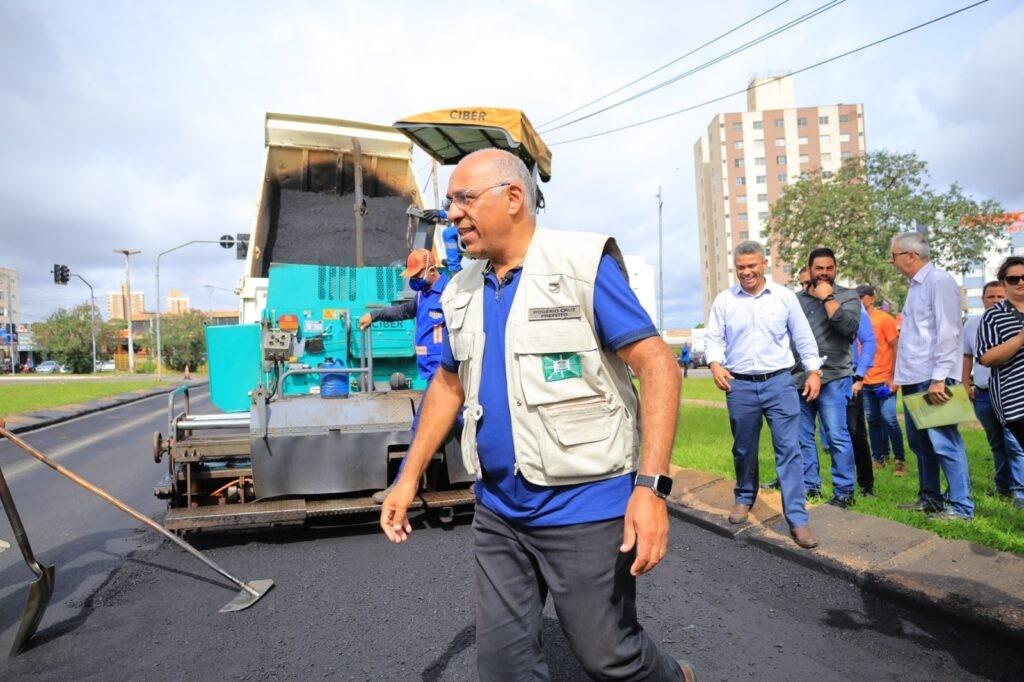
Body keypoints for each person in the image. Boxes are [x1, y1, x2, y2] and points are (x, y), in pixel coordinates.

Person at [380, 149, 694, 681]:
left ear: (514, 197)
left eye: (464, 198)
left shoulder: (582, 265)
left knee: (608, 657)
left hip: (586, 505)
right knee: (503, 668)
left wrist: (651, 486)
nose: (452, 213)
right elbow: (448, 385)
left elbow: (659, 365)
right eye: (450, 200)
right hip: (499, 511)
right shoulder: (460, 289)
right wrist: (407, 477)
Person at [706, 240, 822, 549]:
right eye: (741, 267)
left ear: (764, 264)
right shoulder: (725, 301)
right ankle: (744, 497)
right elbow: (714, 338)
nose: (747, 272)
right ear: (736, 268)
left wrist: (814, 372)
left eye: (752, 266)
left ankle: (797, 519)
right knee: (744, 449)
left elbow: (803, 337)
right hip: (739, 385)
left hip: (780, 383)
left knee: (789, 449)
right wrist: (715, 364)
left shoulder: (784, 298)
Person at [890, 231, 974, 520]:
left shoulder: (939, 281)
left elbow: (949, 331)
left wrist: (940, 378)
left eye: (894, 256)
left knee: (944, 441)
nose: (892, 262)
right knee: (920, 443)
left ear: (911, 255)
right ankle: (931, 498)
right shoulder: (916, 286)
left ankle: (962, 507)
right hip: (914, 376)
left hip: (934, 377)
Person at [359, 248, 452, 504]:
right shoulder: (422, 296)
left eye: (416, 274)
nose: (413, 280)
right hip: (435, 378)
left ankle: (401, 486)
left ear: (431, 270)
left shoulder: (451, 294)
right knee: (465, 426)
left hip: (448, 377)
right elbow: (401, 312)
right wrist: (375, 315)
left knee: (421, 427)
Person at [793, 248, 862, 508]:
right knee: (802, 436)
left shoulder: (847, 296)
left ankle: (844, 491)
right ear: (809, 269)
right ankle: (810, 486)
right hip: (799, 378)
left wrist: (827, 298)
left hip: (834, 377)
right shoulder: (795, 300)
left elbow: (848, 329)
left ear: (835, 269)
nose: (823, 273)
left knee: (836, 435)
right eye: (818, 268)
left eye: (829, 268)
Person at [964, 279, 1024, 505]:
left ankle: (1020, 492)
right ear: (983, 300)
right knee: (996, 443)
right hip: (983, 394)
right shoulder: (972, 324)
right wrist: (964, 383)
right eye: (991, 297)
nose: (996, 300)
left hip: (1012, 396)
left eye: (1000, 296)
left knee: (1015, 444)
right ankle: (1003, 487)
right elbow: (967, 355)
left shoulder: (1016, 321)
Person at [978, 256, 1024, 500]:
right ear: (1004, 283)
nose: (1020, 282)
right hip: (1016, 403)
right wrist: (1019, 340)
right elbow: (986, 358)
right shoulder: (993, 316)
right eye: (1013, 278)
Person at [857, 284, 907, 476]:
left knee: (889, 419)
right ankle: (879, 457)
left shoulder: (883, 319)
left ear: (871, 298)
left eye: (862, 296)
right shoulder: (856, 320)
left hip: (884, 380)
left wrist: (893, 377)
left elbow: (896, 347)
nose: (859, 300)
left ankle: (900, 459)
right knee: (873, 421)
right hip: (866, 382)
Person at [849, 301, 878, 497]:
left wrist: (859, 376)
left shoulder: (851, 302)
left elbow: (868, 340)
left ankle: (866, 485)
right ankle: (811, 485)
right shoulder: (799, 301)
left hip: (847, 377)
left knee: (856, 432)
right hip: (809, 377)